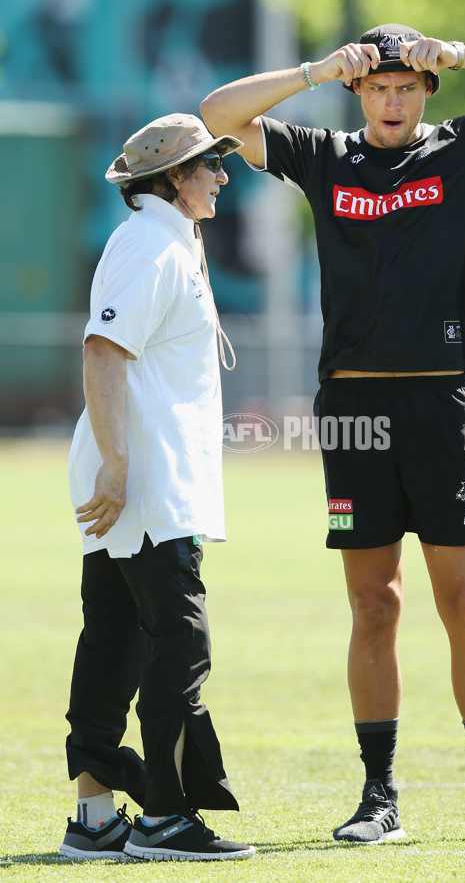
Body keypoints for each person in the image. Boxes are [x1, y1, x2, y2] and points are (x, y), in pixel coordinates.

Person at [200, 25, 465, 843]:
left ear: (426, 92)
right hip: (357, 411)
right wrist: (312, 70)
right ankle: (379, 799)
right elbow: (218, 112)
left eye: (407, 86)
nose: (393, 100)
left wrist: (464, 53)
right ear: (359, 92)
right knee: (374, 605)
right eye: (378, 87)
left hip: (441, 404)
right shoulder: (324, 155)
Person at [59, 113, 255, 862]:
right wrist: (116, 462)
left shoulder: (163, 239)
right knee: (180, 640)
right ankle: (167, 817)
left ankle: (96, 818)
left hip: (140, 471)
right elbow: (104, 351)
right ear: (174, 178)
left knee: (114, 638)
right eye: (210, 166)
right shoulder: (151, 244)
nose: (221, 176)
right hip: (142, 477)